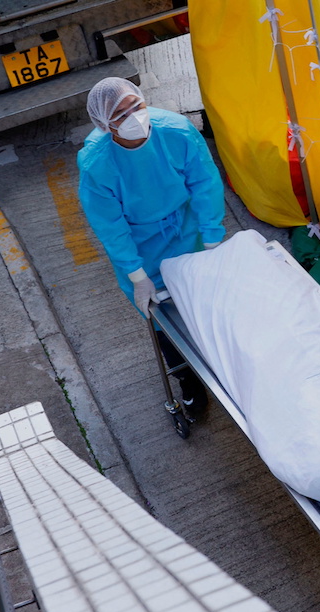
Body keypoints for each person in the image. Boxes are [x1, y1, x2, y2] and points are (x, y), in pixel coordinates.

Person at [77, 77, 225, 416]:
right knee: (163, 318)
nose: (134, 118)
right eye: (120, 114)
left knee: (205, 298)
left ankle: (222, 361)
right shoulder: (98, 164)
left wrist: (213, 238)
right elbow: (110, 227)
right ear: (104, 124)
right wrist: (137, 274)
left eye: (137, 106)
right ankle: (188, 380)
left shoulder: (176, 131)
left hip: (187, 229)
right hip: (141, 244)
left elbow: (205, 183)